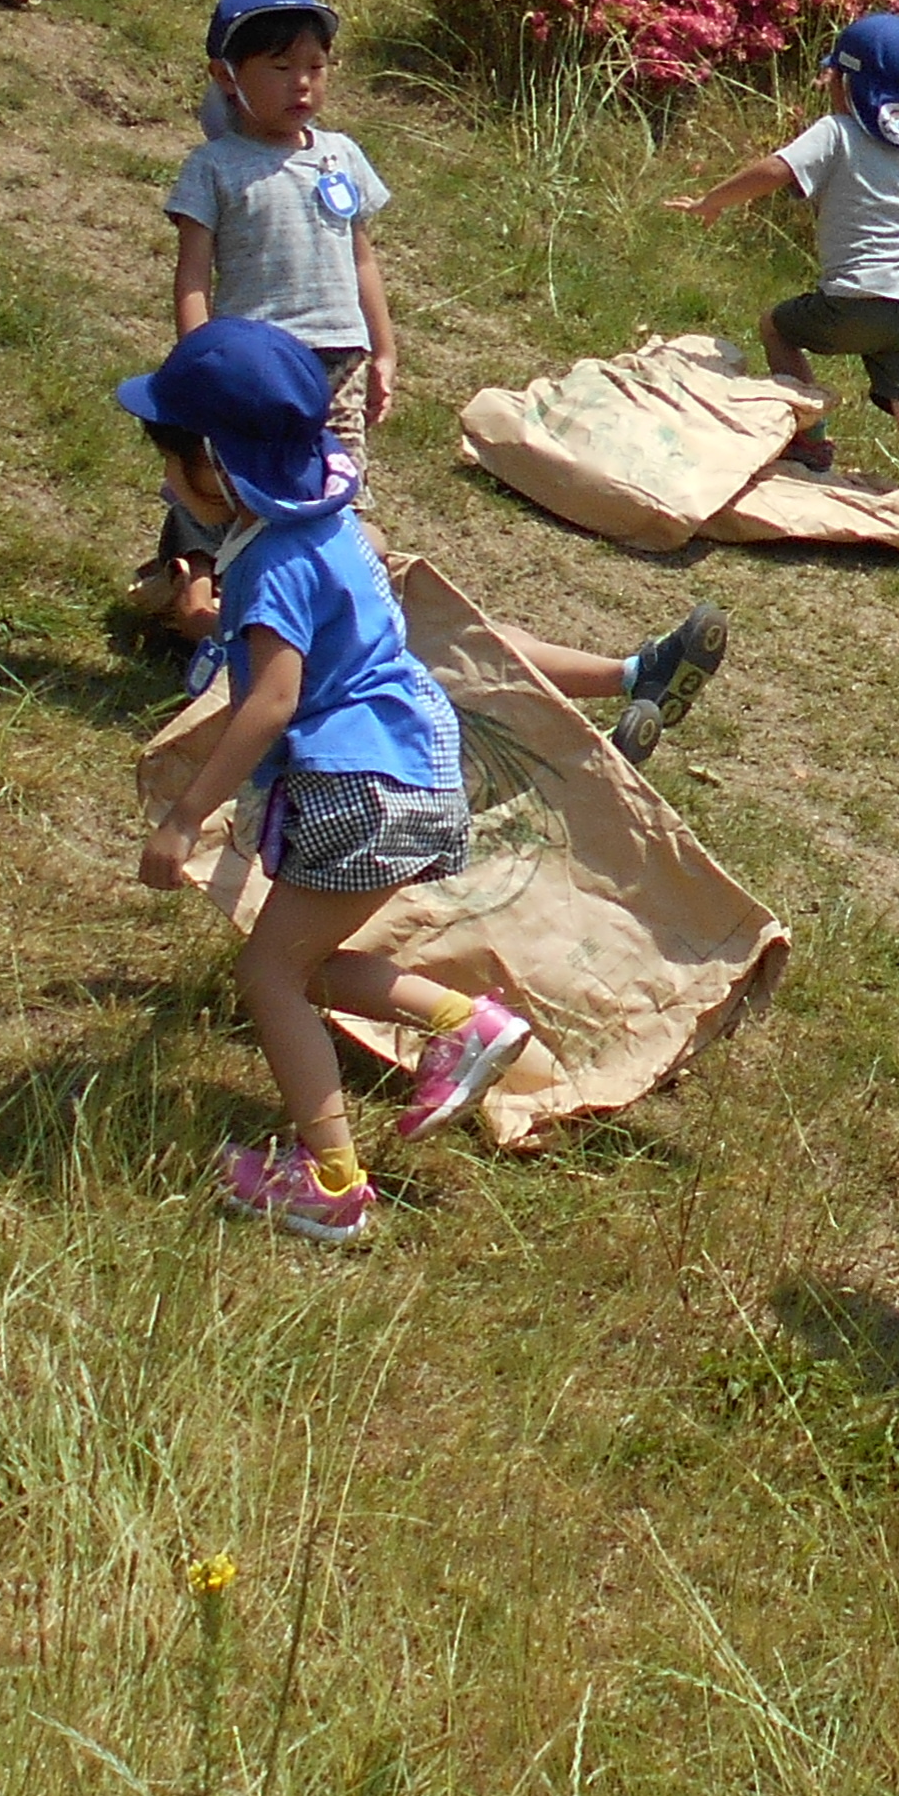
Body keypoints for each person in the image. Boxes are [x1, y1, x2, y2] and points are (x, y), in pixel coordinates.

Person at [125, 322, 730, 1241]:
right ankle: (465, 1026)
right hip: (419, 780)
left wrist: (184, 816)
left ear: (212, 463)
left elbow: (273, 701)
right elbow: (327, 650)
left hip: (355, 792)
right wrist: (216, 627)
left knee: (269, 974)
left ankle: (329, 1180)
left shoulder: (270, 567)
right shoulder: (327, 534)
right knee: (308, 962)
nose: (163, 476)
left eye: (169, 457)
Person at [124, 0, 398, 652]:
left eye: (314, 67)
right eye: (280, 68)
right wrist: (199, 364)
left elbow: (362, 259)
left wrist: (383, 349)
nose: (301, 84)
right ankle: (221, 604)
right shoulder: (215, 168)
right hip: (255, 370)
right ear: (226, 76)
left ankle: (315, 609)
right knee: (241, 485)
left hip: (337, 365)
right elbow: (194, 274)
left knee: (334, 495)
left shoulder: (340, 157)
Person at [664, 10, 899, 577]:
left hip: (855, 300)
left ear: (847, 82)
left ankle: (812, 437)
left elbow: (773, 170)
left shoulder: (835, 133)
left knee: (777, 326)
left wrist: (710, 201)